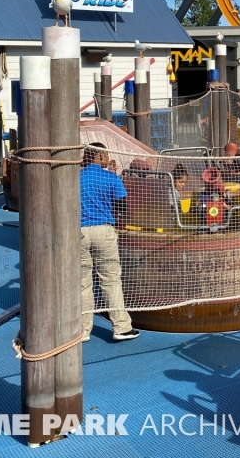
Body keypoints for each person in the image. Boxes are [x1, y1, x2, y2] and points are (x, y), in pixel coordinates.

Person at [80, 142, 139, 342]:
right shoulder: (111, 178)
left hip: (77, 231)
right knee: (111, 279)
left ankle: (82, 330)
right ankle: (121, 327)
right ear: (101, 156)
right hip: (104, 230)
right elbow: (123, 206)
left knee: (82, 283)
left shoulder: (74, 178)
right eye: (105, 155)